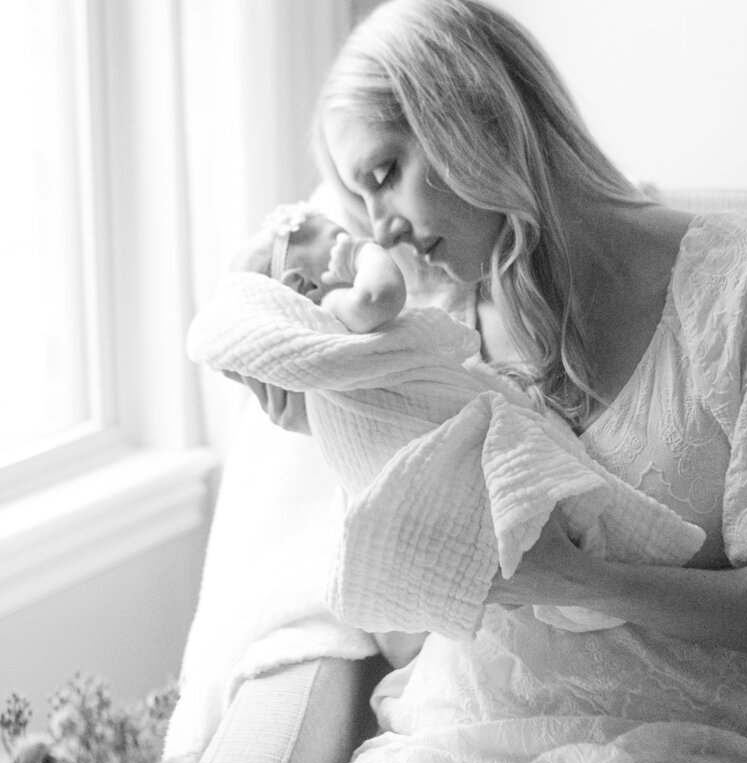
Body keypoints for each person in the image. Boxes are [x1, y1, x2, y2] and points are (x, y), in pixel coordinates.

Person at [226, 0, 747, 763]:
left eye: (386, 173)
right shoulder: (433, 339)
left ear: (472, 113)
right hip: (464, 734)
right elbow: (409, 641)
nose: (381, 224)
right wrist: (348, 437)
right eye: (364, 197)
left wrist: (591, 582)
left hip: (701, 735)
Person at [188, 199, 705, 640]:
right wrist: (363, 255)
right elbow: (380, 298)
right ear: (304, 285)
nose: (373, 232)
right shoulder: (343, 312)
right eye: (338, 238)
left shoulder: (338, 370)